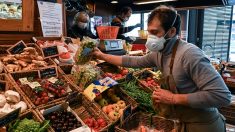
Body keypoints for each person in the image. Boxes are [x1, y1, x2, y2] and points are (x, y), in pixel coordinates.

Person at [92, 5, 232, 132]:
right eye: (149, 32)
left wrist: (173, 98)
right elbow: (132, 61)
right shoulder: (159, 53)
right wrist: (102, 56)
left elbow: (222, 96)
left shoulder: (189, 55)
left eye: (155, 32)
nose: (150, 37)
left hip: (204, 125)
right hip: (181, 122)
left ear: (171, 31)